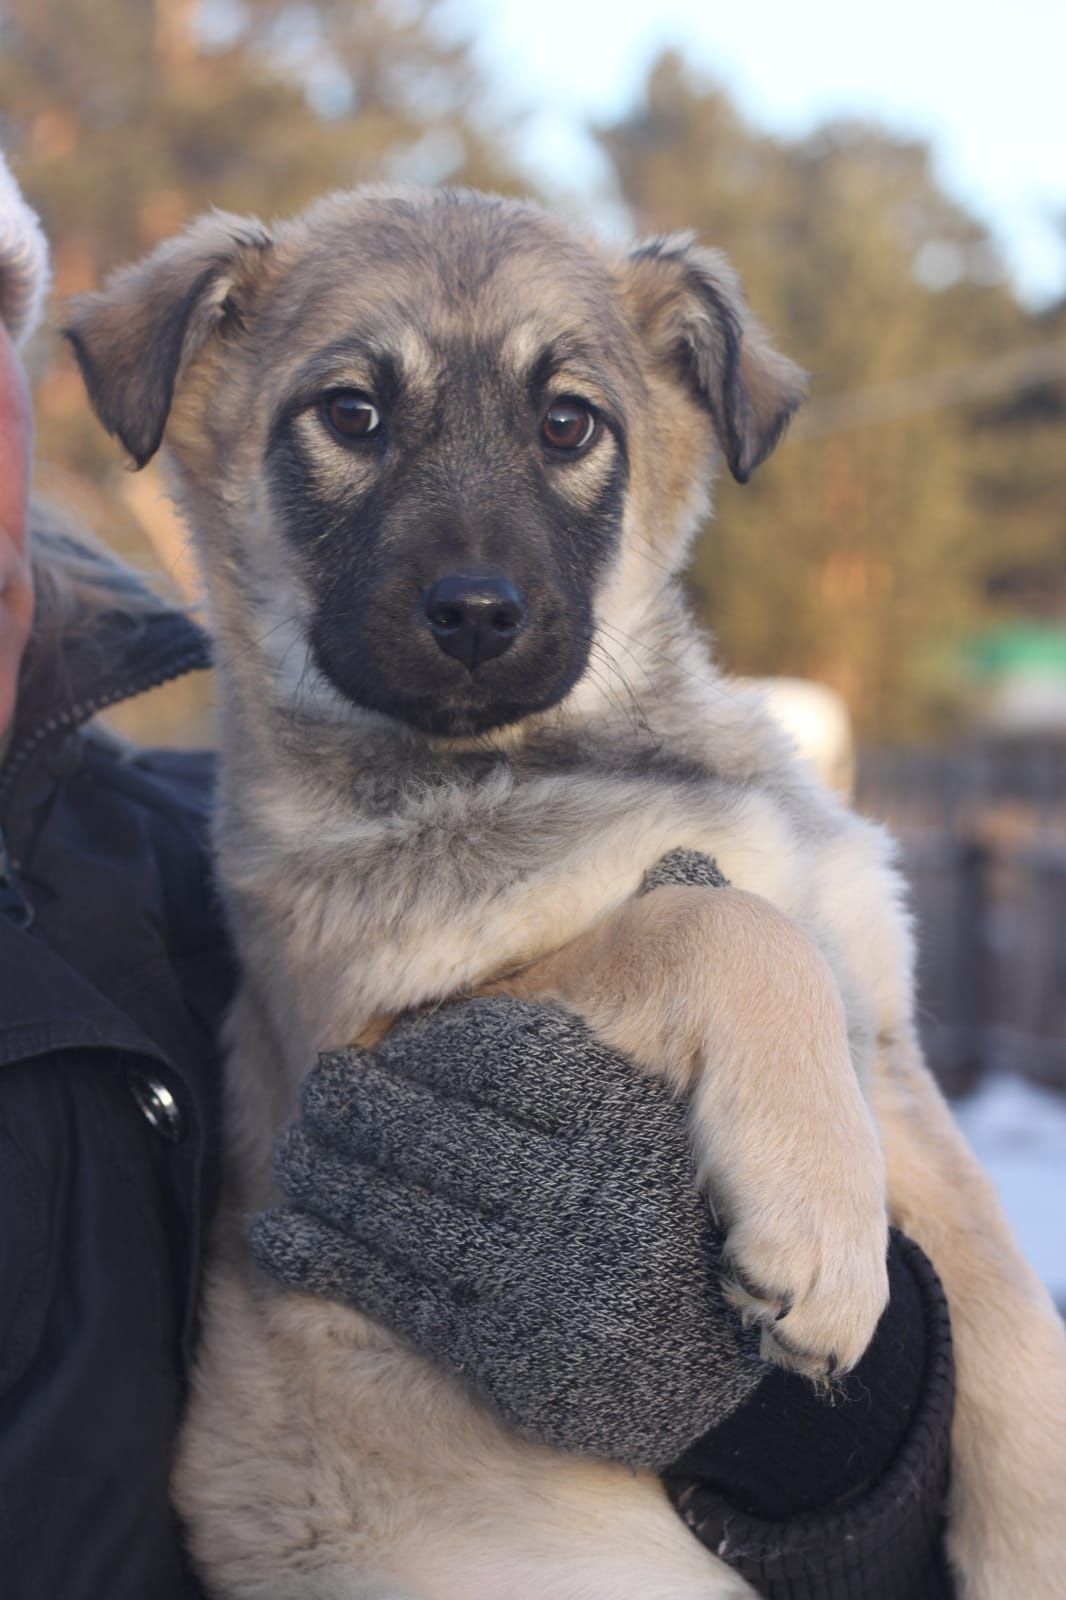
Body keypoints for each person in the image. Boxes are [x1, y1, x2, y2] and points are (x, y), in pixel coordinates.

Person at [0, 151, 955, 1599]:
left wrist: (828, 1444)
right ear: (198, 402)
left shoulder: (165, 870)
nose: (474, 573)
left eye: (564, 424)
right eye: (354, 419)